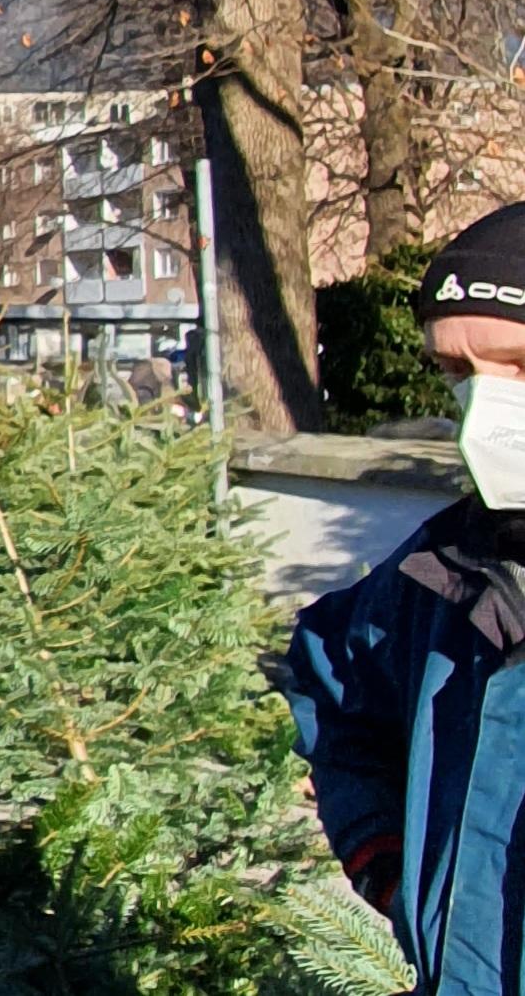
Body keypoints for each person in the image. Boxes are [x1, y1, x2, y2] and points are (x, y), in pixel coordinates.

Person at [289, 202, 525, 994]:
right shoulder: (438, 570)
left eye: (516, 363)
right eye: (457, 372)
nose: (483, 407)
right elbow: (331, 685)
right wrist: (386, 864)